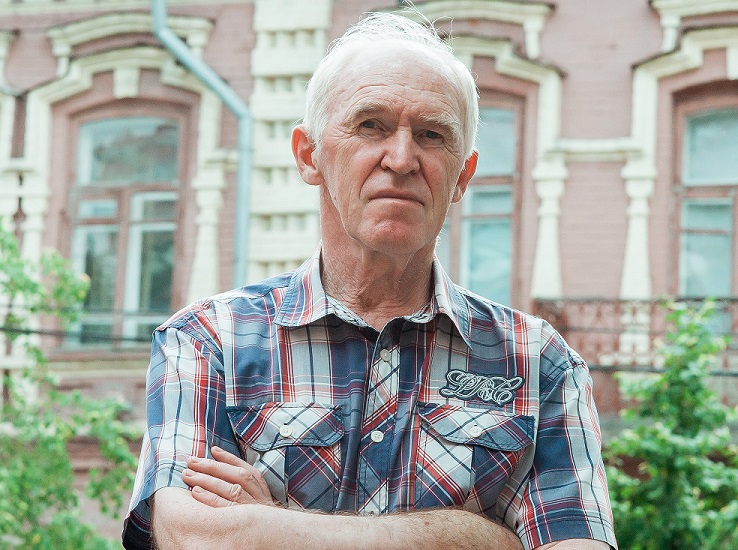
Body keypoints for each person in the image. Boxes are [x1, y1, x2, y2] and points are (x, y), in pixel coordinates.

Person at [122, 11, 617, 550]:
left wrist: (269, 523)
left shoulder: (538, 362)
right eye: (370, 126)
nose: (402, 159)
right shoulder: (210, 340)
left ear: (462, 177)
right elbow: (192, 537)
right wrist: (480, 537)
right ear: (309, 155)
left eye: (431, 135)